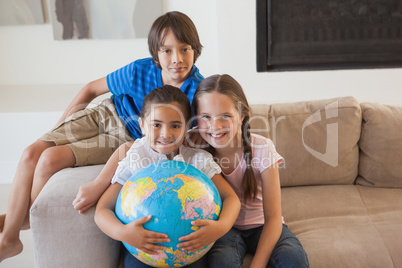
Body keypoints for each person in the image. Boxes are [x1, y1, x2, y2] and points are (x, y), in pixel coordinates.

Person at [0, 11, 203, 262]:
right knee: (32, 152)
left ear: (196, 50)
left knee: (49, 159)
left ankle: (13, 235)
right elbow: (90, 89)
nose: (177, 59)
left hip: (126, 136)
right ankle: (15, 224)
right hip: (104, 113)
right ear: (156, 54)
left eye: (185, 49)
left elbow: (194, 134)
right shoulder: (139, 71)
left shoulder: (197, 90)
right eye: (167, 51)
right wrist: (60, 130)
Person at [94, 85, 241, 267]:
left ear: (187, 127)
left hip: (190, 251)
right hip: (144, 252)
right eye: (156, 125)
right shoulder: (137, 157)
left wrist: (221, 227)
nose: (166, 134)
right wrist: (123, 233)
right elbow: (102, 210)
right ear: (142, 125)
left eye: (175, 125)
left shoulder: (196, 159)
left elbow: (231, 198)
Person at [191, 74, 309, 268]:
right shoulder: (196, 151)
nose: (215, 126)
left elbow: (273, 219)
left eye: (225, 116)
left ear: (242, 115)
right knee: (222, 262)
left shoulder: (262, 148)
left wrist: (258, 264)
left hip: (264, 225)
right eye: (206, 117)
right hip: (225, 228)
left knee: (293, 259)